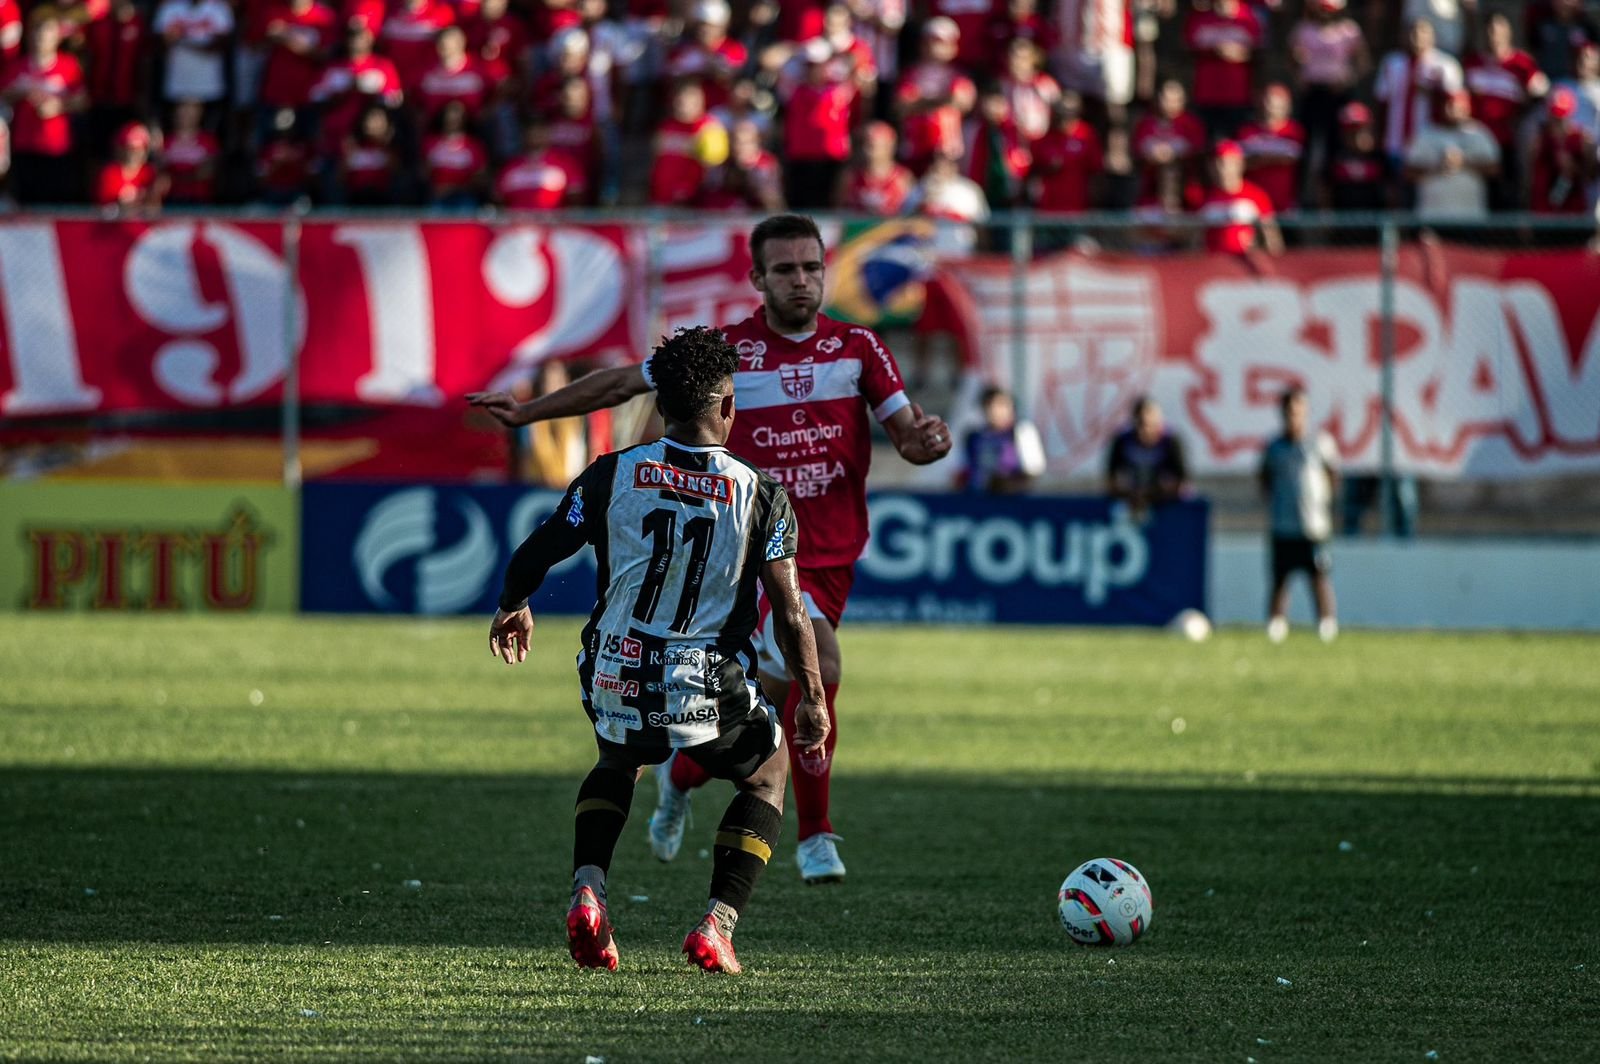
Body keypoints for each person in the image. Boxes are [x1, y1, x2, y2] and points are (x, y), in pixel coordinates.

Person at [468, 214, 952, 885]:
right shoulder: (721, 356)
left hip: (832, 552)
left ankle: (679, 781)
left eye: (812, 267)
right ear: (757, 279)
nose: (802, 281)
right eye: (785, 270)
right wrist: (530, 413)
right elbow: (619, 385)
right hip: (751, 552)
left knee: (762, 699)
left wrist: (927, 443)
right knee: (819, 663)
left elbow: (907, 434)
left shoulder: (859, 347)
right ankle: (817, 836)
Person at [486, 325, 829, 975]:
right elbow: (789, 612)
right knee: (767, 771)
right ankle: (717, 926)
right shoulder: (761, 495)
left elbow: (536, 553)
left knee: (619, 758)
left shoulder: (611, 474)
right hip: (705, 678)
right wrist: (812, 695)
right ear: (727, 407)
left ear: (662, 405)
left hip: (614, 663)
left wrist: (513, 606)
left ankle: (589, 889)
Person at [1259, 387, 1339, 644]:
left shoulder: (1319, 443)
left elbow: (1332, 475)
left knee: (1318, 576)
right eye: (1289, 411)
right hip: (1283, 523)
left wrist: (1321, 502)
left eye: (1298, 410)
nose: (1293, 416)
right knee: (1280, 578)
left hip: (1313, 525)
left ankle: (1326, 624)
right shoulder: (1274, 447)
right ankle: (1277, 624)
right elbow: (1265, 479)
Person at [1403, 88, 1499, 220]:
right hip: (1432, 216)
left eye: (1456, 105)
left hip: (1470, 217)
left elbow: (1494, 170)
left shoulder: (1479, 133)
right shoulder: (1426, 134)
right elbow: (1409, 173)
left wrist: (1463, 161)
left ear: (1467, 107)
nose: (1451, 109)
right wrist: (1438, 164)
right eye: (1447, 104)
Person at [1105, 395, 1188, 515]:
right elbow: (1111, 481)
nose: (1144, 431)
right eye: (1140, 424)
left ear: (1159, 422)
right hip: (1131, 503)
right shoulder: (1122, 441)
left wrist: (1151, 495)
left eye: (1149, 425)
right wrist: (1130, 494)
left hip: (1166, 503)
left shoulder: (1171, 440)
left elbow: (1182, 481)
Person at [957, 386, 1045, 494]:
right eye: (990, 405)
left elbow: (1033, 475)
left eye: (1002, 405)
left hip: (1013, 503)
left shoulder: (1023, 432)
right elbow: (961, 473)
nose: (996, 411)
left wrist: (1006, 484)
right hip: (978, 502)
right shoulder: (973, 437)